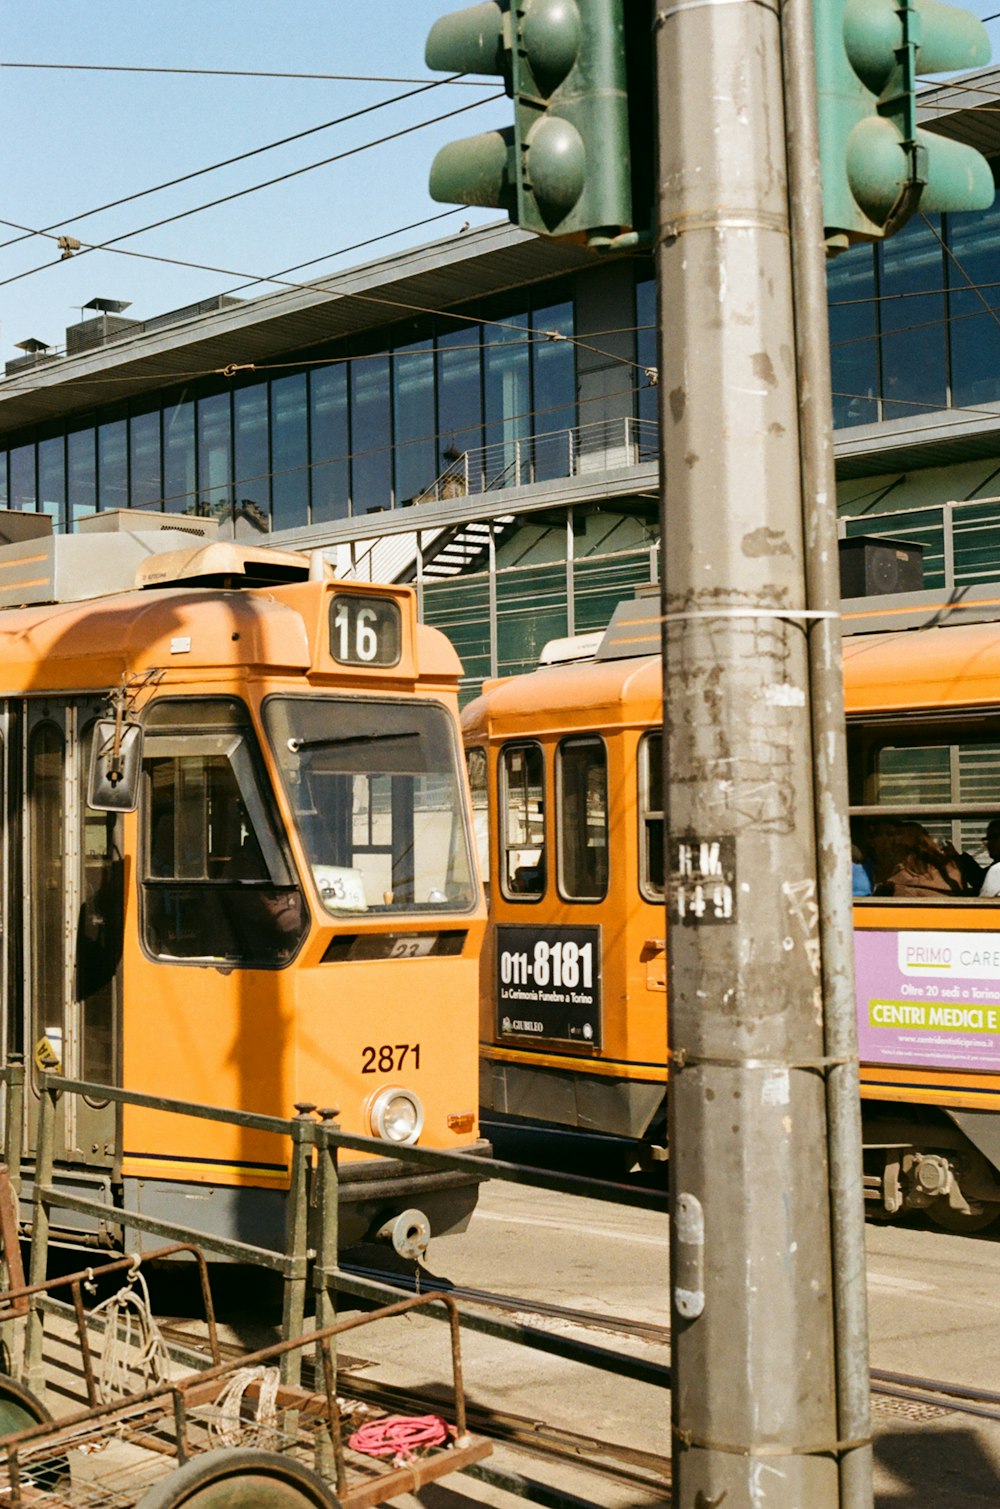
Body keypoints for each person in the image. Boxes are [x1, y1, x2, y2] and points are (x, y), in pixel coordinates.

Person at [980, 819, 1000, 897]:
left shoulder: (997, 871)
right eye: (987, 839)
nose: (989, 843)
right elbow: (980, 878)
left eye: (994, 838)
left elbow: (981, 906)